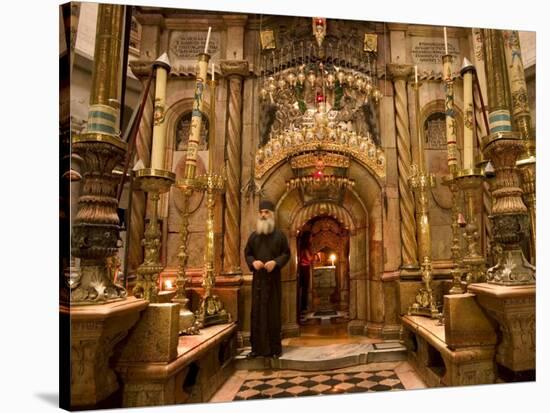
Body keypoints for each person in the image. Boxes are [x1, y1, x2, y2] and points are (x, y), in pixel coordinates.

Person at [244, 200, 290, 359]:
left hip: (273, 281)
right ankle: (256, 349)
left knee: (272, 314)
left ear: (272, 215)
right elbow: (248, 253)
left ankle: (274, 350)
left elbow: (286, 254)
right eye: (261, 212)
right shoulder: (254, 236)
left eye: (267, 212)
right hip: (258, 281)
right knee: (256, 314)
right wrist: (253, 262)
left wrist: (275, 262)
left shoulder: (280, 236)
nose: (263, 215)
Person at [298, 236, 313, 313]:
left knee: (302, 288)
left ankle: (302, 306)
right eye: (310, 237)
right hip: (304, 268)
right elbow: (309, 258)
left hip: (302, 268)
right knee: (304, 288)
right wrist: (314, 256)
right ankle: (303, 307)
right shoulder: (305, 248)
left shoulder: (302, 247)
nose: (311, 238)